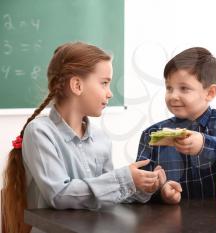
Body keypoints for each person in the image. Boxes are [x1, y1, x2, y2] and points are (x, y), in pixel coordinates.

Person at [2, 42, 165, 233]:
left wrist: (142, 186)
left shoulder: (101, 138)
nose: (110, 93)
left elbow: (105, 193)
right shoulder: (39, 132)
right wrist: (124, 179)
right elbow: (60, 195)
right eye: (104, 83)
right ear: (77, 85)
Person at [136, 47, 216, 204]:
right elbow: (140, 188)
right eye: (169, 88)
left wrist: (205, 144)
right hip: (169, 223)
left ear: (210, 93)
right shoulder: (152, 133)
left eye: (184, 88)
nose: (173, 96)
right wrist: (161, 191)